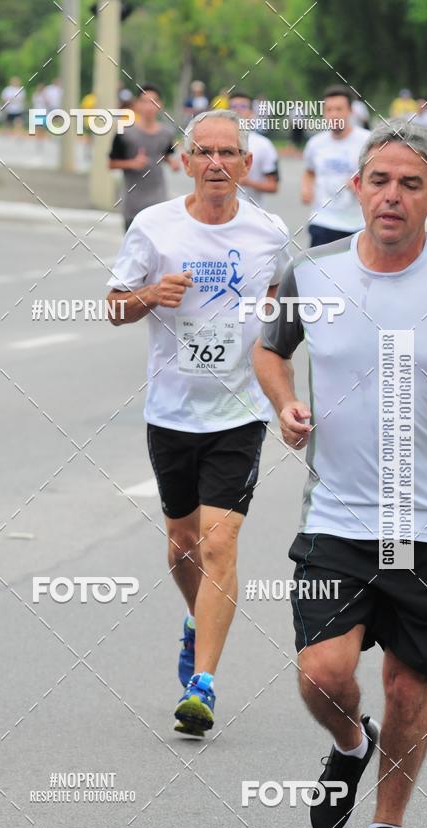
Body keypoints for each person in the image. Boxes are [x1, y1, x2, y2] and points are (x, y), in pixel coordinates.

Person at [253, 120, 427, 828]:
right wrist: (286, 404)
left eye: (410, 184)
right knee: (322, 673)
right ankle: (351, 745)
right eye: (379, 180)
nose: (392, 195)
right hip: (338, 519)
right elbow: (269, 348)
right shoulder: (313, 273)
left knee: (408, 689)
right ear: (355, 188)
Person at [105, 109, 290, 735]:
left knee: (219, 542)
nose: (216, 163)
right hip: (171, 413)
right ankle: (196, 619)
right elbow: (113, 310)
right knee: (183, 545)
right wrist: (149, 298)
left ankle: (203, 684)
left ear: (246, 164)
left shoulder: (270, 232)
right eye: (203, 152)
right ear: (184, 161)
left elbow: (284, 319)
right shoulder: (153, 227)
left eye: (228, 153)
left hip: (239, 412)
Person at [301, 85, 369, 247]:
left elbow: (382, 177)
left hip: (356, 223)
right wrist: (306, 188)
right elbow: (309, 172)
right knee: (318, 270)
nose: (334, 114)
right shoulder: (315, 144)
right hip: (323, 220)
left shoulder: (367, 141)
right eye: (329, 109)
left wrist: (361, 184)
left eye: (339, 109)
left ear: (350, 111)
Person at [108, 84, 179, 232]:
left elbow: (165, 154)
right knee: (134, 252)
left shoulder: (166, 133)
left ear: (160, 105)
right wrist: (132, 163)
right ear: (137, 105)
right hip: (133, 204)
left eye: (153, 102)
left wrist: (172, 162)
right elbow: (111, 163)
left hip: (158, 201)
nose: (149, 107)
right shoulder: (125, 133)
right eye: (145, 102)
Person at [228, 92, 279, 208]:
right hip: (219, 217)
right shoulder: (215, 140)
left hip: (253, 215)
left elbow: (273, 186)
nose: (237, 111)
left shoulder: (264, 145)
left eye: (243, 107)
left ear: (251, 112)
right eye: (233, 107)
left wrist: (248, 182)